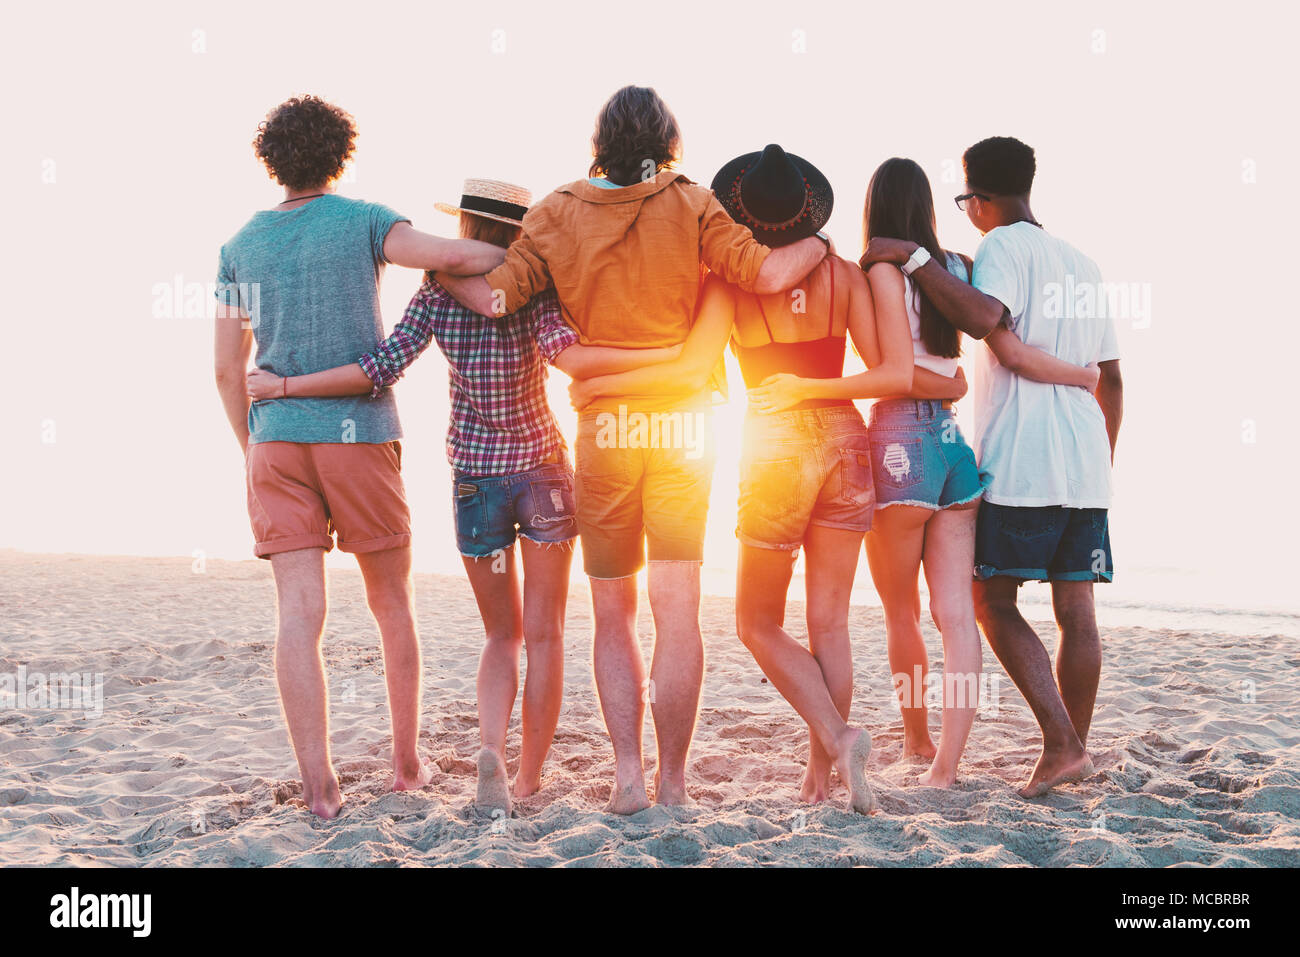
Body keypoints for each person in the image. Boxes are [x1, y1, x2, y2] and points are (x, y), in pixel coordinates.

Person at [437, 87, 834, 813]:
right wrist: (820, 241)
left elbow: (497, 299)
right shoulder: (692, 204)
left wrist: (437, 267)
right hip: (685, 427)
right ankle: (674, 783)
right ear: (669, 139)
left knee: (614, 611)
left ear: (600, 140)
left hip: (606, 433)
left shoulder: (556, 211)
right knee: (677, 609)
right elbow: (772, 274)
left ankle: (627, 778)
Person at [246, 179, 683, 816]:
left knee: (500, 637)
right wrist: (667, 358)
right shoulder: (535, 292)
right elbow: (572, 358)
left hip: (475, 480)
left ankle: (491, 755)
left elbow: (380, 367)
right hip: (541, 473)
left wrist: (285, 386)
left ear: (467, 232)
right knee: (547, 635)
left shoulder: (435, 295)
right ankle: (530, 777)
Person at [574, 144, 933, 813]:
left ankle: (837, 734)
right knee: (830, 624)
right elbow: (893, 372)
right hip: (847, 442)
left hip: (776, 446)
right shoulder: (848, 276)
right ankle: (819, 779)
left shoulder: (728, 282)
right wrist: (821, 386)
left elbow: (688, 370)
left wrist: (598, 374)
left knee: (756, 622)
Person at [213, 95, 509, 818]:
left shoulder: (239, 246)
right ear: (340, 154)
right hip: (357, 435)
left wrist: (256, 447)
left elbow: (227, 370)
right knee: (390, 603)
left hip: (276, 438)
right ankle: (407, 765)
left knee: (298, 614)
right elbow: (451, 256)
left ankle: (319, 789)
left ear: (272, 161)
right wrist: (527, 252)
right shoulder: (366, 220)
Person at [764, 157, 1098, 788]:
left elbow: (890, 370)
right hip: (954, 448)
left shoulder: (882, 273)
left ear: (873, 210)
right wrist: (954, 379)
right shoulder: (958, 268)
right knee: (955, 614)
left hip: (898, 442)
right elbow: (962, 358)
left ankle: (917, 740)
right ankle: (945, 767)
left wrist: (808, 389)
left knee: (900, 612)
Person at [862, 137, 1124, 797]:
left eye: (966, 200)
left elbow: (988, 324)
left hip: (1025, 458)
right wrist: (1105, 459)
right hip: (1087, 461)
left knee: (991, 600)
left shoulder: (1003, 248)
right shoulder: (1085, 263)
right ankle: (1072, 748)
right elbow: (1113, 380)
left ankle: (1061, 743)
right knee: (1077, 610)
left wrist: (914, 256)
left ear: (979, 200)